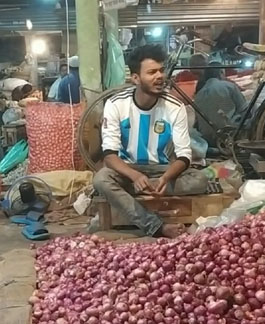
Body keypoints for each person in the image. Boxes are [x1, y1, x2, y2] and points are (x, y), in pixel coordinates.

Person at [93, 45, 208, 238]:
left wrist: (165, 178)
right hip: (127, 170)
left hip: (161, 170)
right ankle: (155, 226)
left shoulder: (175, 106)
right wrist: (135, 177)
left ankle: (136, 192)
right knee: (101, 179)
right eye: (152, 72)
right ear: (136, 78)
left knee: (200, 180)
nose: (160, 76)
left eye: (161, 70)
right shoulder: (116, 104)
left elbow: (184, 155)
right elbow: (110, 156)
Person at [193, 62, 248, 146]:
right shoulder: (230, 86)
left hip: (207, 140)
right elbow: (245, 110)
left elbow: (197, 123)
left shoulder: (198, 95)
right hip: (228, 135)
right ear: (221, 73)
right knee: (253, 108)